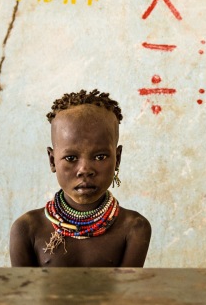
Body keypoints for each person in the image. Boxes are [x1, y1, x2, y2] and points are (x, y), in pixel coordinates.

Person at [10, 89, 151, 267]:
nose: (85, 170)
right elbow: (23, 294)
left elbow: (125, 294)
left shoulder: (134, 228)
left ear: (118, 158)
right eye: (70, 158)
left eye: (100, 157)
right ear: (52, 160)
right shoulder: (27, 229)